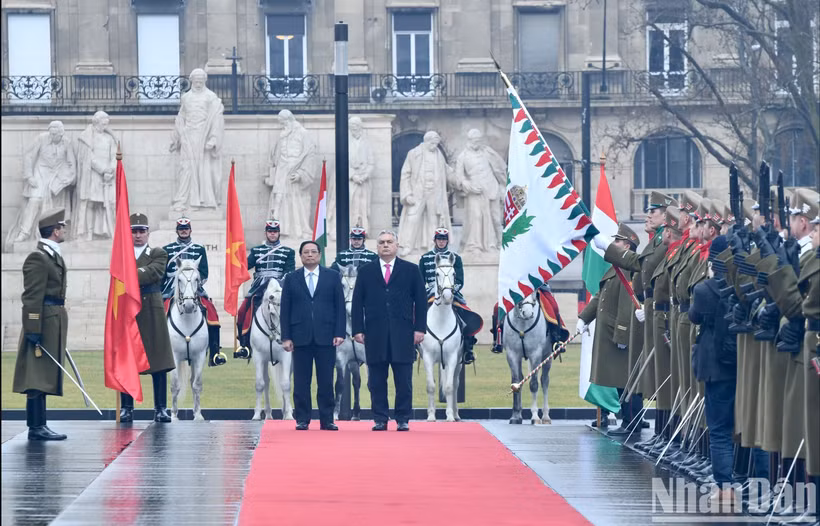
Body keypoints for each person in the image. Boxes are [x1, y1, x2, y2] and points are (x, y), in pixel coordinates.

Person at [351, 230, 427, 431]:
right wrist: (358, 329)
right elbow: (357, 302)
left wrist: (420, 329)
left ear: (397, 245)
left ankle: (403, 418)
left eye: (389, 242)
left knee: (403, 380)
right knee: (376, 380)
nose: (385, 245)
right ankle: (380, 418)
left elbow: (420, 301)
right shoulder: (366, 271)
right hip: (375, 334)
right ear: (377, 247)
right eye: (382, 242)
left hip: (403, 333)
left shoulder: (411, 270)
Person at [688, 235, 737, 505]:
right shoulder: (741, 286)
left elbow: (694, 315)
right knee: (751, 429)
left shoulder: (704, 289)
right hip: (742, 364)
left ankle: (725, 485)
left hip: (716, 366)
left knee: (718, 429)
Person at [13, 208, 69, 440]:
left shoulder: (51, 255)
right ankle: (35, 427)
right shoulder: (38, 257)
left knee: (44, 374)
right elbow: (31, 297)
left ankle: (40, 425)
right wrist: (33, 329)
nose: (64, 230)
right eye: (62, 227)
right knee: (36, 376)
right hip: (42, 322)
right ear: (55, 231)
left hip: (52, 320)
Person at [583, 223, 642, 436]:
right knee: (621, 379)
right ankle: (631, 419)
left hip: (621, 331)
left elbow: (628, 301)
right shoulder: (617, 267)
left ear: (627, 245)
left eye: (617, 241)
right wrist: (585, 318)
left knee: (627, 379)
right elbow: (601, 295)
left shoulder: (627, 268)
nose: (613, 244)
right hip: (611, 331)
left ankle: (632, 421)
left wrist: (623, 332)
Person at [281, 241, 346, 431]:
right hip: (299, 337)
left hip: (326, 336)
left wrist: (339, 333)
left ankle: (327, 419)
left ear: (319, 255)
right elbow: (285, 309)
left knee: (326, 380)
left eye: (313, 252)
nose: (309, 255)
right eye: (305, 252)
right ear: (300, 256)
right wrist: (286, 337)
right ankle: (302, 418)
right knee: (301, 380)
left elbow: (339, 307)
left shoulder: (332, 277)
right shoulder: (292, 278)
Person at [119, 213, 176, 423]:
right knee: (127, 360)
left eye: (142, 231)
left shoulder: (158, 253)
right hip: (128, 310)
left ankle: (161, 408)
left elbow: (154, 273)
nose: (138, 235)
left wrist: (129, 272)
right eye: (134, 231)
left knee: (157, 360)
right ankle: (126, 407)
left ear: (148, 233)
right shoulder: (121, 254)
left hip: (151, 308)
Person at [161, 217, 224, 367]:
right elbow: (163, 273)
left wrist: (194, 285)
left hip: (193, 287)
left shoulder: (199, 249)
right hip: (172, 287)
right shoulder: (167, 249)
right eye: (181, 228)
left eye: (186, 228)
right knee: (159, 312)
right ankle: (156, 351)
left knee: (212, 311)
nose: (184, 230)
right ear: (177, 230)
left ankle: (215, 352)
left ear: (190, 230)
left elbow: (204, 272)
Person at [418, 227, 483, 364]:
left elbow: (459, 280)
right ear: (435, 240)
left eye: (444, 239)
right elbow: (420, 280)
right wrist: (429, 291)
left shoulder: (456, 258)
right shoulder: (425, 258)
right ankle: (413, 348)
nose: (441, 242)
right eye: (439, 239)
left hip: (451, 293)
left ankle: (468, 349)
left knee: (467, 315)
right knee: (414, 315)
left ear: (447, 241)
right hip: (431, 294)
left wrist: (450, 291)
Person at [235, 220, 295, 356]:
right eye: (270, 232)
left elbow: (289, 272)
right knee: (243, 312)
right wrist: (236, 264)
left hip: (279, 287)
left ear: (279, 233)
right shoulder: (257, 251)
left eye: (275, 232)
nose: (272, 234)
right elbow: (245, 267)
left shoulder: (288, 252)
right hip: (259, 287)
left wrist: (278, 284)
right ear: (266, 233)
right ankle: (244, 344)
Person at [169, 68, 225, 211]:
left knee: (203, 170)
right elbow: (181, 118)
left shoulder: (211, 97)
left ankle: (203, 202)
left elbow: (216, 118)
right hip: (188, 136)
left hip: (203, 136)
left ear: (205, 81)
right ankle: (183, 201)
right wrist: (176, 139)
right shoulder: (186, 97)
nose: (198, 84)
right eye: (196, 81)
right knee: (186, 168)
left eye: (201, 81)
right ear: (191, 81)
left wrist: (213, 139)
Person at [397, 131, 459, 256]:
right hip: (418, 193)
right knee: (412, 218)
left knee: (433, 220)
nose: (435, 146)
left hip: (435, 193)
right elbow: (405, 174)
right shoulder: (414, 154)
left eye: (436, 143)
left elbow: (447, 172)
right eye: (433, 143)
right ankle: (408, 246)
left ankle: (432, 246)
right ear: (426, 141)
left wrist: (459, 181)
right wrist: (407, 194)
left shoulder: (439, 155)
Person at [12, 121, 76, 243]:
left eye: (55, 134)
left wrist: (66, 180)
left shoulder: (67, 142)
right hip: (40, 173)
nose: (52, 136)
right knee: (34, 200)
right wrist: (30, 176)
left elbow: (71, 164)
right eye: (51, 133)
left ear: (61, 134)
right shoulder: (41, 138)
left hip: (56, 176)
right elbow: (28, 156)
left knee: (54, 206)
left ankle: (52, 234)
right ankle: (24, 232)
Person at [74, 110, 116, 240]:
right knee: (90, 203)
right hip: (92, 175)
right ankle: (89, 232)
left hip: (107, 176)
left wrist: (111, 170)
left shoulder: (109, 138)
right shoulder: (86, 137)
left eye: (106, 124)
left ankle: (104, 231)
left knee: (105, 204)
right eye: (103, 124)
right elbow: (87, 157)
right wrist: (103, 170)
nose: (105, 127)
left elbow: (115, 155)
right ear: (96, 122)